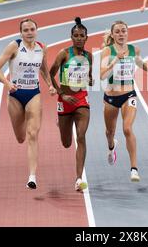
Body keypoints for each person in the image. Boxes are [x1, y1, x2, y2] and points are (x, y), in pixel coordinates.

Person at [0, 19, 57, 189]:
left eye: (32, 29)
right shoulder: (14, 46)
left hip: (33, 93)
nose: (29, 32)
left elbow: (43, 69)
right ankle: (31, 172)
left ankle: (32, 176)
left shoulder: (42, 47)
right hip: (15, 95)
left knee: (32, 134)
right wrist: (8, 84)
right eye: (26, 30)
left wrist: (50, 84)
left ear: (37, 30)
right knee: (21, 137)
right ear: (21, 32)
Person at [100, 20, 148, 182]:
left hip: (129, 94)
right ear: (112, 34)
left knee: (127, 129)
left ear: (127, 32)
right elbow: (102, 75)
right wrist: (114, 61)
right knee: (109, 132)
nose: (121, 34)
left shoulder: (134, 49)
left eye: (123, 31)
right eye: (117, 32)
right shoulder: (107, 51)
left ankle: (134, 169)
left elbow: (139, 62)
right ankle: (111, 146)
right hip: (111, 97)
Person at [49, 17, 93, 191]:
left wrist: (90, 79)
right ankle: (60, 123)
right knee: (66, 143)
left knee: (81, 136)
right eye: (76, 35)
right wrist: (61, 94)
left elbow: (88, 76)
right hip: (64, 101)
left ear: (86, 37)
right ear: (71, 37)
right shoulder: (64, 54)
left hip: (82, 99)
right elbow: (50, 75)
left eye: (82, 35)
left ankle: (78, 179)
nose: (79, 38)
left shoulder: (89, 56)